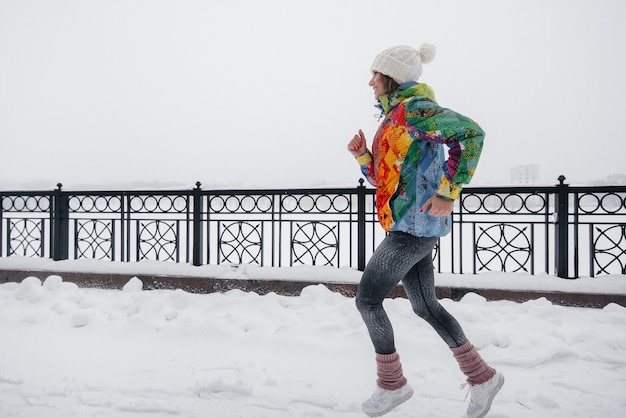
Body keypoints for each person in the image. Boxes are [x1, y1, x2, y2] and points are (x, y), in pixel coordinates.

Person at [347, 44, 504, 418]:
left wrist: (449, 192)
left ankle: (392, 385)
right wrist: (364, 158)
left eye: (375, 74)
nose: (370, 82)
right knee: (425, 305)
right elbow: (388, 182)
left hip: (413, 228)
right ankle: (482, 377)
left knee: (368, 300)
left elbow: (471, 134)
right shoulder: (393, 118)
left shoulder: (414, 111)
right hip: (410, 224)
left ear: (392, 77)